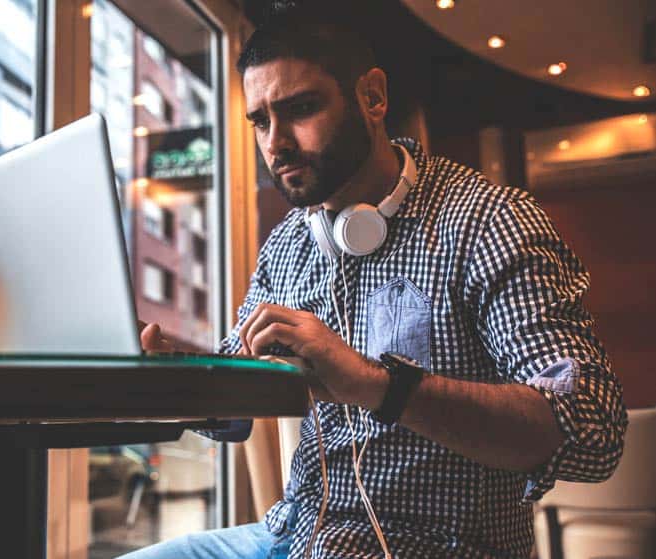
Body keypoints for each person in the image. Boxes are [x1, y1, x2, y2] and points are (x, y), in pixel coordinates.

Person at [125, 9, 627, 559]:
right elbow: (239, 386)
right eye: (261, 121)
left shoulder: (489, 221)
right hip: (290, 536)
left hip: (437, 546)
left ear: (372, 97)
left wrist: (373, 383)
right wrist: (179, 371)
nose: (276, 143)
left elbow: (587, 430)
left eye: (301, 109)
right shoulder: (290, 242)